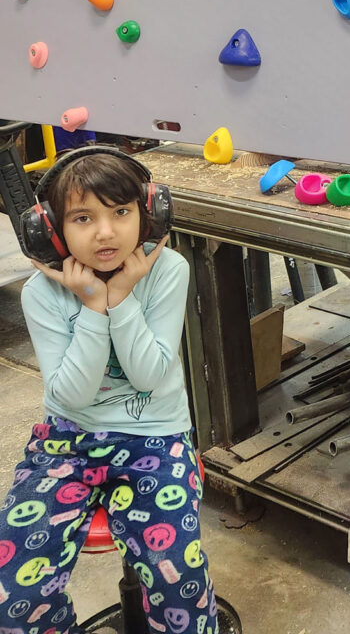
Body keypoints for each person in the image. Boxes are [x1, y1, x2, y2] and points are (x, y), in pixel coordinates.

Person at [0, 146, 218, 634]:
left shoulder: (167, 271)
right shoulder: (42, 293)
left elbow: (147, 376)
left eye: (121, 212)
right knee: (14, 593)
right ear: (51, 230)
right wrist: (94, 306)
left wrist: (121, 300)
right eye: (83, 217)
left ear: (148, 213)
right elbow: (72, 397)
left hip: (156, 438)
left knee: (176, 574)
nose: (105, 232)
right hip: (68, 438)